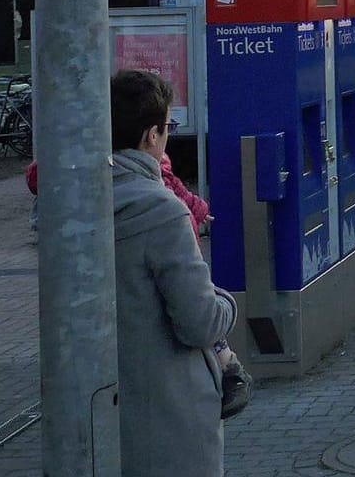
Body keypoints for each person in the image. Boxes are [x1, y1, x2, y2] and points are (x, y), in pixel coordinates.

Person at [109, 69, 237, 476]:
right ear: (152, 135)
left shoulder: (74, 204)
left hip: (106, 409)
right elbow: (200, 323)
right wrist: (226, 302)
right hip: (171, 413)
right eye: (168, 128)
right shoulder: (161, 210)